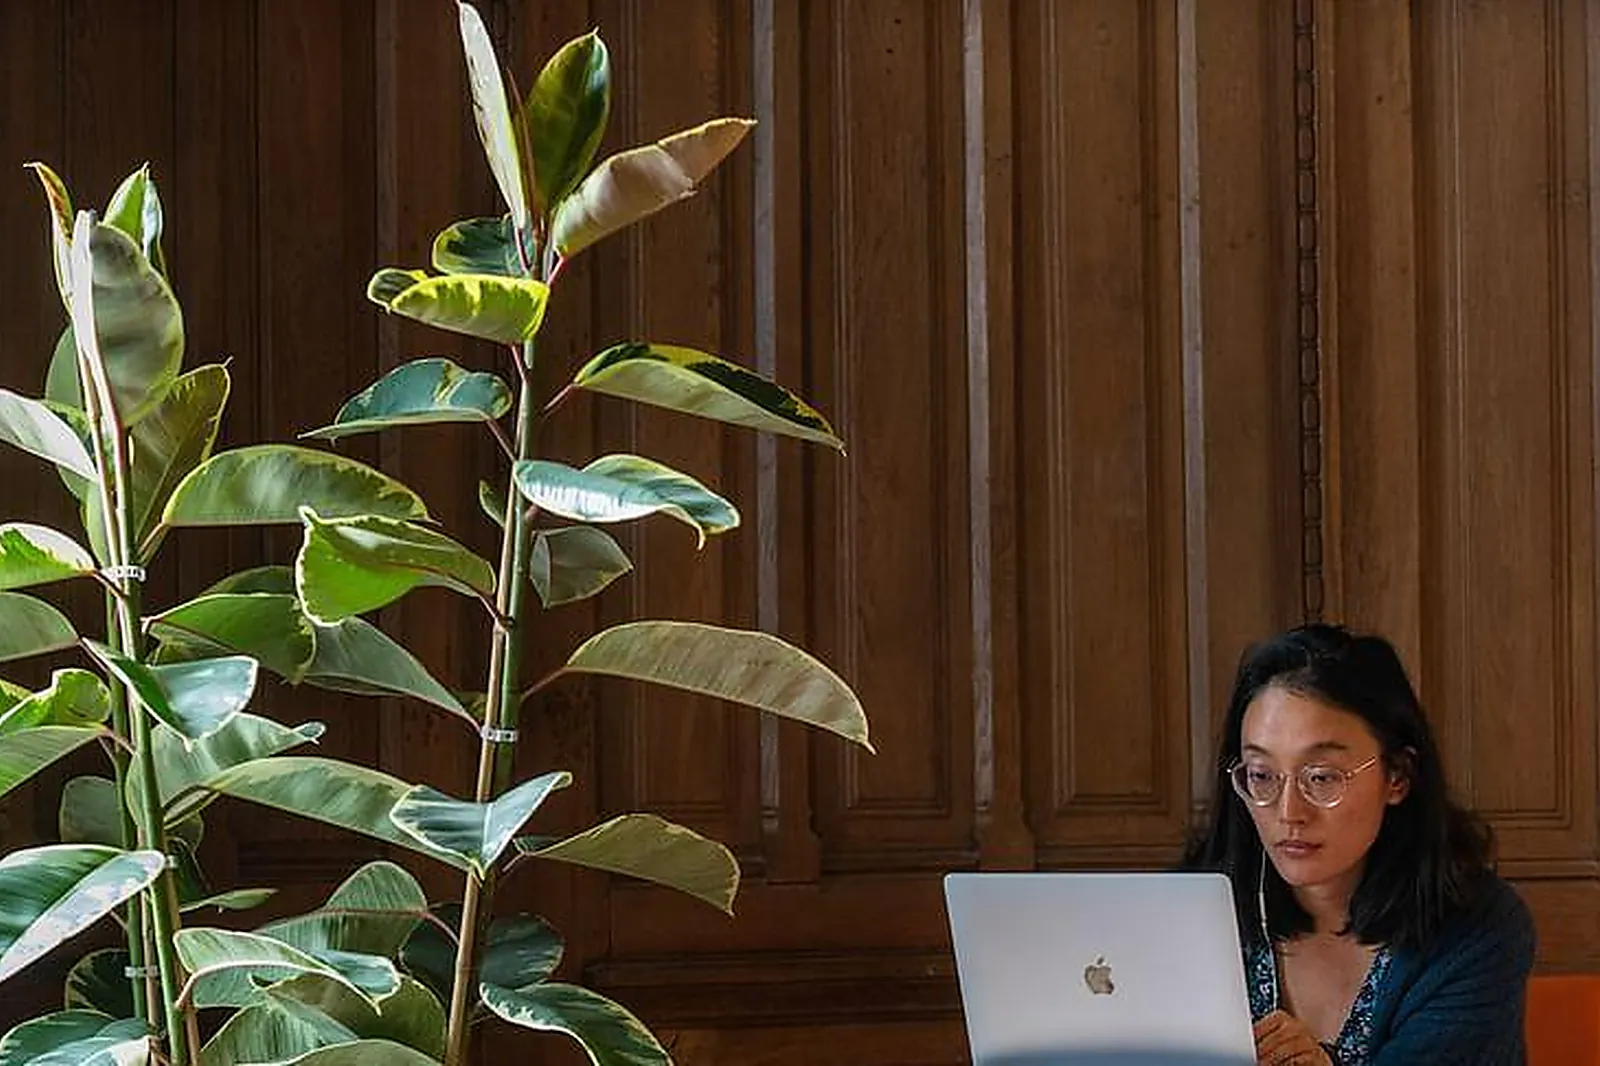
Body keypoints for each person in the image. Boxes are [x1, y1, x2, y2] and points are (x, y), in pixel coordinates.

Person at [1183, 623, 1535, 1065]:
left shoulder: (1477, 930)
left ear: (1398, 776)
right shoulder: (1190, 908)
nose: (1288, 811)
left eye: (1322, 777)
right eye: (1262, 775)